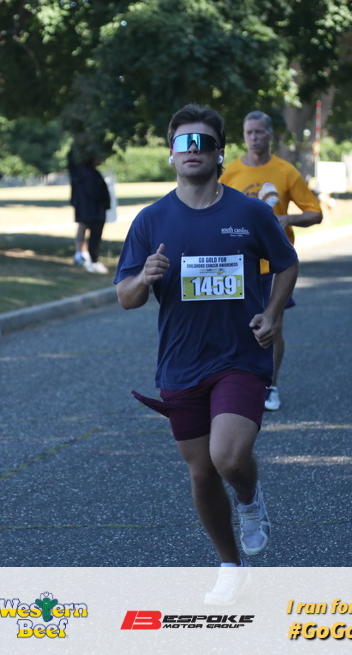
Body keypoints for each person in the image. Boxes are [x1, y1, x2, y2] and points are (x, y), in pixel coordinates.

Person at [114, 104, 298, 605]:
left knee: (228, 457)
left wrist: (273, 314)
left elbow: (286, 262)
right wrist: (144, 277)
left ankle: (249, 498)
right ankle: (230, 567)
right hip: (181, 363)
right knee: (201, 472)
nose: (192, 151)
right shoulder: (151, 220)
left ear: (219, 153)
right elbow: (125, 297)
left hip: (241, 355)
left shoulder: (250, 213)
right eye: (183, 143)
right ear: (171, 154)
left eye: (203, 143)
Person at [219, 110, 322, 411]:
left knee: (272, 328)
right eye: (248, 133)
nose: (253, 138)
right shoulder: (229, 173)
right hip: (236, 266)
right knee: (235, 330)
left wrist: (288, 218)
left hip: (275, 266)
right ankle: (234, 385)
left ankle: (270, 387)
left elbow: (315, 213)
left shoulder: (285, 171)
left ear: (270, 135)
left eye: (259, 132)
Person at [69, 152, 112, 274]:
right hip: (93, 210)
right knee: (94, 235)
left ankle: (81, 255)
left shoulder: (79, 173)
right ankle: (92, 259)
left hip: (83, 208)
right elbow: (96, 193)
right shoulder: (90, 175)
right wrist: (104, 202)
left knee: (82, 229)